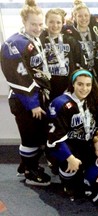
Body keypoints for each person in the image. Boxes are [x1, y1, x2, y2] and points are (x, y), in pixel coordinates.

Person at [0, 0, 51, 186]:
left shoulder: (32, 38)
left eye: (40, 24)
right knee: (30, 137)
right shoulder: (13, 44)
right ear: (24, 22)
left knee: (36, 135)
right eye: (33, 24)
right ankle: (30, 171)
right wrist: (33, 104)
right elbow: (19, 76)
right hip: (25, 102)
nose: (38, 28)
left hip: (36, 99)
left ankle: (26, 163)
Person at [46, 69, 98, 200]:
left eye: (88, 85)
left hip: (86, 142)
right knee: (70, 166)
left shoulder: (93, 100)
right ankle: (65, 180)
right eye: (80, 84)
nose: (84, 88)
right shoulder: (60, 103)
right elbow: (55, 137)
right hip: (66, 145)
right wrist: (69, 157)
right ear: (73, 84)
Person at [41, 8, 83, 100]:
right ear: (45, 22)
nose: (55, 25)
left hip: (67, 87)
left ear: (63, 23)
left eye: (58, 22)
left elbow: (79, 63)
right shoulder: (40, 41)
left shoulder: (71, 41)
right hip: (47, 87)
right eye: (51, 22)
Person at [63, 0, 98, 76]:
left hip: (95, 70)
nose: (84, 18)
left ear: (90, 15)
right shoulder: (68, 32)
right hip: (78, 72)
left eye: (86, 15)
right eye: (80, 16)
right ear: (74, 17)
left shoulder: (95, 31)